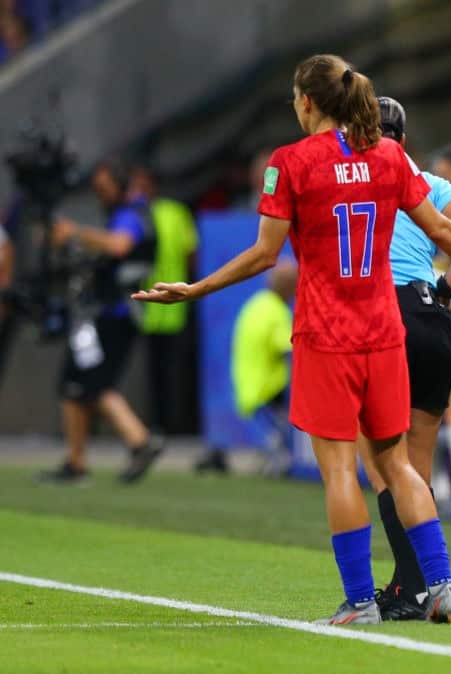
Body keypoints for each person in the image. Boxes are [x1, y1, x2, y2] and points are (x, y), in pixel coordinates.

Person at [133, 54, 451, 625]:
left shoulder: (289, 163)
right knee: (400, 465)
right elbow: (447, 230)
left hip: (328, 335)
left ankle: (358, 600)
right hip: (384, 331)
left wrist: (197, 287)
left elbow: (263, 254)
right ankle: (444, 587)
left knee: (338, 471)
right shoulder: (389, 157)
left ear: (306, 102)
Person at [355, 95, 451, 620]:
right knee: (419, 466)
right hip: (432, 316)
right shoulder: (428, 182)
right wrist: (447, 287)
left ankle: (413, 587)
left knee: (383, 462)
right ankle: (413, 585)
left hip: (384, 313)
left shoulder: (358, 179)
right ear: (404, 139)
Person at [37, 159, 165, 485]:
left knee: (87, 382)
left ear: (121, 186)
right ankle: (86, 458)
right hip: (109, 315)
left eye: (105, 189)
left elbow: (119, 245)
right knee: (78, 384)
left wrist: (75, 233)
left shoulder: (131, 214)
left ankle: (136, 441)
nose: (100, 195)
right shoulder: (132, 212)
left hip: (113, 316)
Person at [195, 261, 298, 475]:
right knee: (278, 431)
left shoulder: (256, 305)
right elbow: (287, 349)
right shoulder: (277, 312)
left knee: (271, 430)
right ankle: (278, 463)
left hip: (248, 383)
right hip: (268, 385)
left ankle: (271, 459)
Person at [129, 164, 199, 435]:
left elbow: (192, 254)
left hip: (175, 304)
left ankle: (174, 424)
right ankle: (159, 424)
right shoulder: (136, 215)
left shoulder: (172, 212)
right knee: (155, 372)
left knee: (174, 371)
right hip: (149, 307)